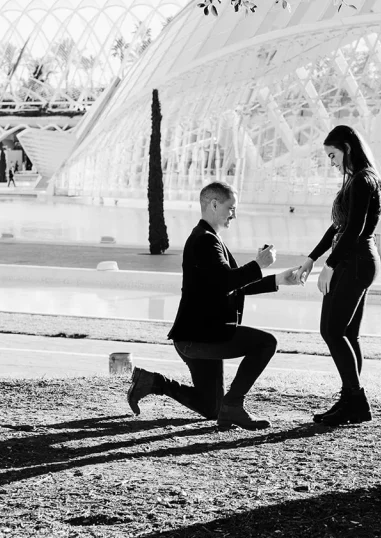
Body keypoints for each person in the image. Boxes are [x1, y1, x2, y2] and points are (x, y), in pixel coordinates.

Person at [127, 181, 298, 430]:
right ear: (215, 204)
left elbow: (231, 284)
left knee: (211, 408)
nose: (234, 215)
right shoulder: (205, 241)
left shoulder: (208, 238)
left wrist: (279, 279)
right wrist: (259, 265)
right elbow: (226, 282)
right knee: (266, 343)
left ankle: (152, 382)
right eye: (232, 208)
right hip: (200, 338)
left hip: (197, 336)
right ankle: (235, 405)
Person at [294, 125, 381, 426]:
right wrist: (312, 258)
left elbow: (354, 229)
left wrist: (329, 266)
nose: (331, 162)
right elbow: (338, 227)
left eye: (333, 155)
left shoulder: (362, 180)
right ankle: (350, 399)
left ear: (347, 148)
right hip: (360, 259)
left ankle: (356, 402)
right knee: (347, 334)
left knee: (332, 331)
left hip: (354, 261)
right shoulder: (360, 179)